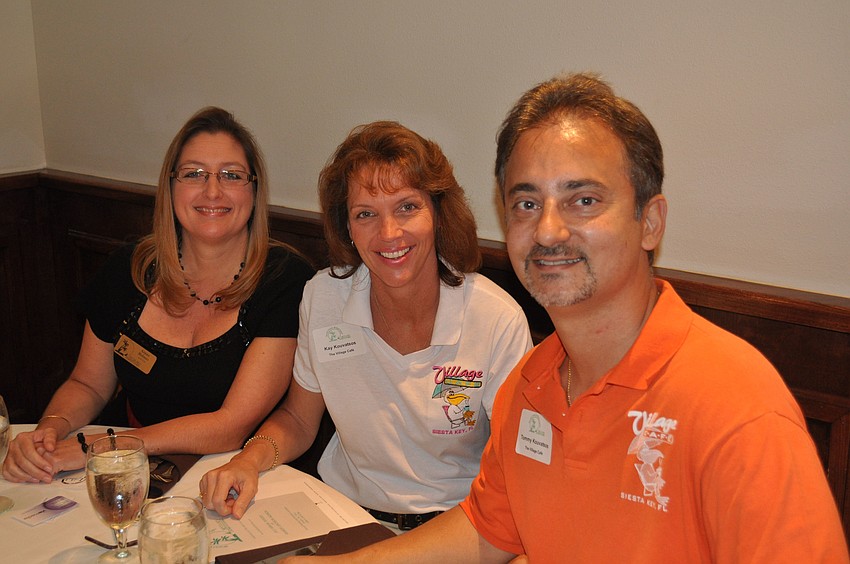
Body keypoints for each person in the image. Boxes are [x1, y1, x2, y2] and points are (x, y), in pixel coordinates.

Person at [283, 74, 849, 562]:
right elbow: (487, 530)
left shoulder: (734, 407)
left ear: (650, 222)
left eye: (583, 200)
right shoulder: (530, 386)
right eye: (527, 203)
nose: (549, 231)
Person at [200, 121, 532, 529]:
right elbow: (300, 420)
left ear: (438, 215)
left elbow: (516, 464)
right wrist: (246, 462)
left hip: (456, 525)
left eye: (408, 207)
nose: (389, 233)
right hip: (343, 515)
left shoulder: (495, 318)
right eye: (366, 214)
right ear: (348, 228)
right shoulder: (324, 298)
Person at [3, 107, 314, 483]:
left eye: (231, 175)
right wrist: (50, 430)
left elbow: (230, 426)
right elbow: (88, 384)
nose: (212, 190)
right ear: (170, 186)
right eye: (193, 174)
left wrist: (109, 446)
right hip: (135, 470)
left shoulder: (285, 279)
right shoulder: (129, 268)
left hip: (242, 473)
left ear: (254, 189)